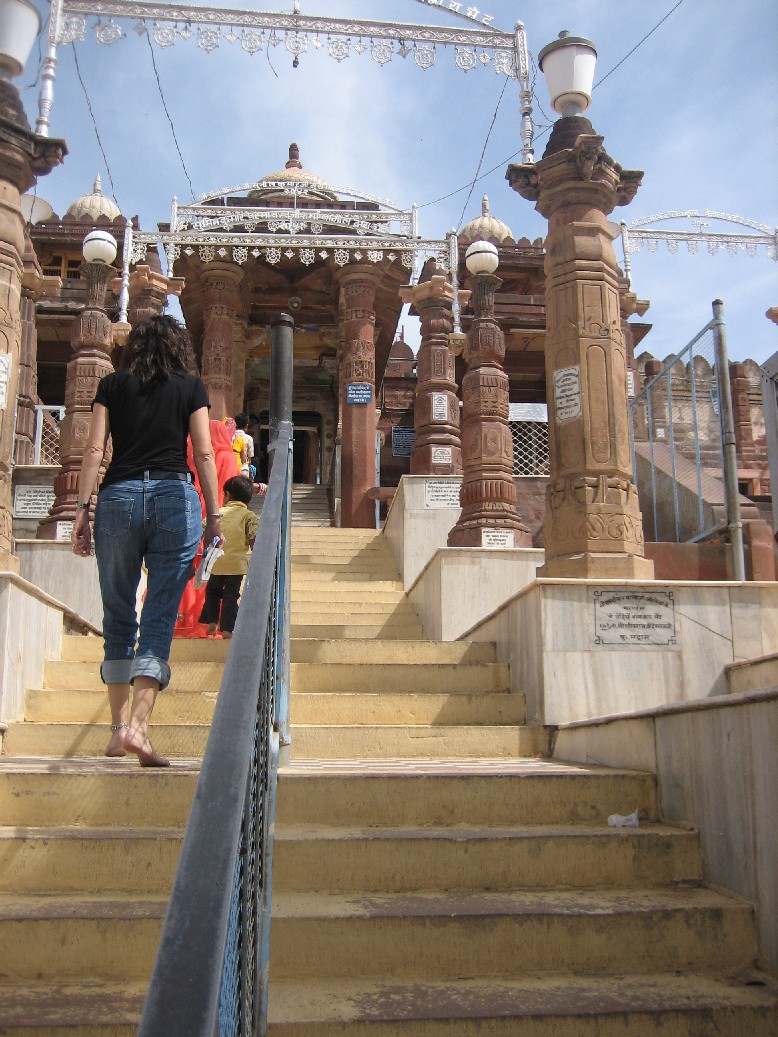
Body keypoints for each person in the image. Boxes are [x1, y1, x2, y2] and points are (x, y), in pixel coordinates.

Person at [71, 314, 223, 767]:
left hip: (117, 497)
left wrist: (82, 509)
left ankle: (118, 731)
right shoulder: (190, 386)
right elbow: (204, 452)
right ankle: (139, 727)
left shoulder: (111, 386)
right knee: (158, 615)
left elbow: (95, 450)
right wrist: (215, 516)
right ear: (178, 347)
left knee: (118, 612)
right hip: (174, 496)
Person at [174, 419, 239, 638]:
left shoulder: (192, 455)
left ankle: (181, 621)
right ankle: (210, 623)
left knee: (188, 569)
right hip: (216, 520)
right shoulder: (227, 457)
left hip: (189, 517)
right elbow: (231, 492)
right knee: (212, 572)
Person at [198, 475, 258, 639]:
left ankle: (212, 622)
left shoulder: (216, 514)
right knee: (231, 596)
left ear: (227, 494)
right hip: (236, 565)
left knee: (212, 592)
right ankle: (227, 630)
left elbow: (201, 529)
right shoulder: (249, 516)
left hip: (215, 562)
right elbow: (253, 537)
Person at [233, 412, 254, 478]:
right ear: (246, 425)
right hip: (243, 469)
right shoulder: (248, 438)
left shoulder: (231, 437)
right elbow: (249, 457)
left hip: (232, 467)